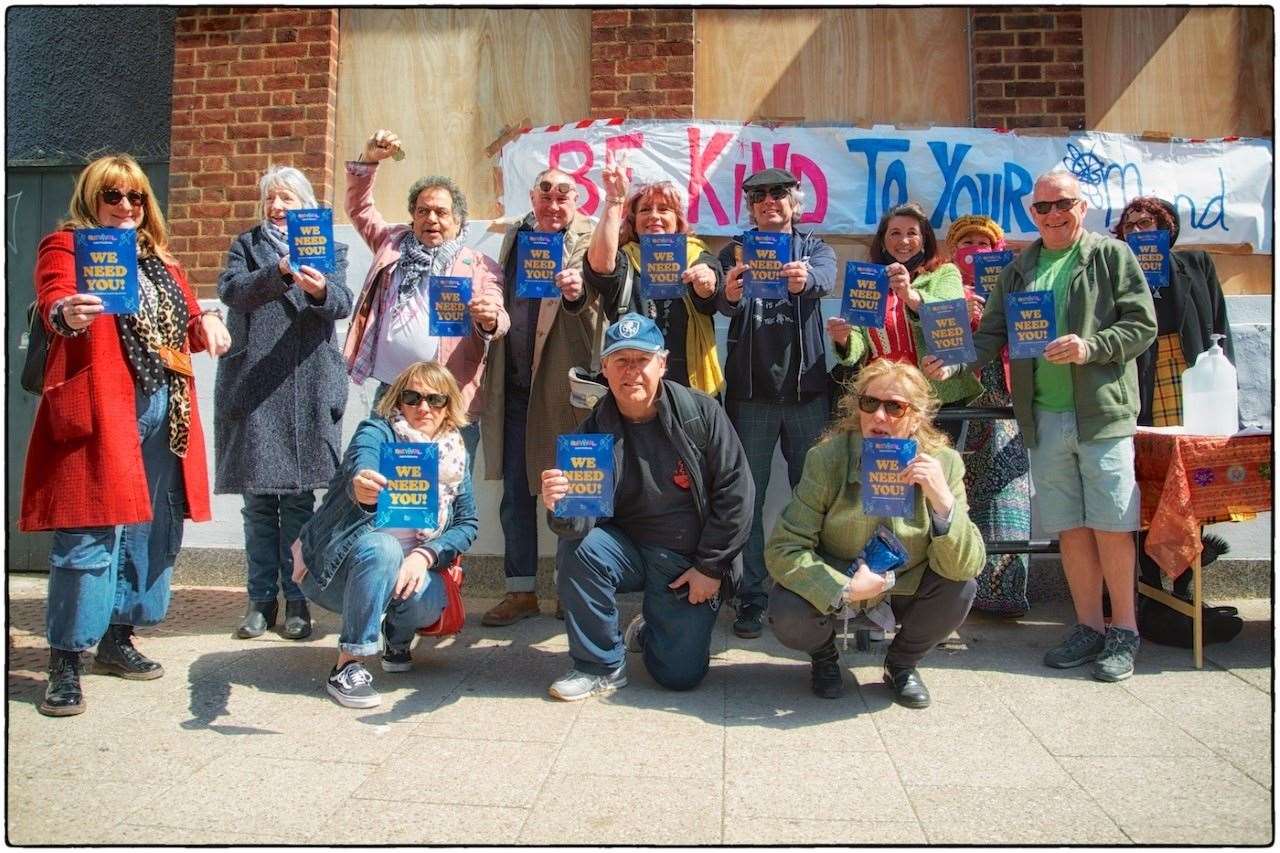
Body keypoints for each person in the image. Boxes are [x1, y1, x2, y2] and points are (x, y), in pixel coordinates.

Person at [20, 154, 232, 716]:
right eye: (113, 194)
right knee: (89, 532)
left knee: (150, 527)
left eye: (135, 197)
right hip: (102, 404)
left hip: (167, 406)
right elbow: (53, 298)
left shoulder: (163, 260)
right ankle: (66, 659)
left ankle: (119, 637)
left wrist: (208, 322)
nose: (125, 206)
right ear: (93, 198)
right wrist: (68, 311)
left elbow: (187, 319)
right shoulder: (68, 245)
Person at [925, 171, 1156, 682]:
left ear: (1083, 205)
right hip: (1044, 417)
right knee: (1069, 526)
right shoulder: (1020, 268)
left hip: (1102, 413)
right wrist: (956, 362)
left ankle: (1125, 631)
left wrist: (1091, 347)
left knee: (1113, 525)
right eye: (1043, 207)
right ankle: (1089, 627)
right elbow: (992, 335)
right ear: (1032, 213)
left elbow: (1142, 325)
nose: (1053, 214)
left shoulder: (1111, 256)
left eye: (1063, 204)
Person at [541, 314, 753, 700]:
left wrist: (710, 568)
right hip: (624, 550)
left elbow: (737, 494)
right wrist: (559, 505)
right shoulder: (590, 433)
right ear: (604, 368)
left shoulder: (699, 414)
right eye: (621, 361)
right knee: (580, 549)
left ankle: (650, 627)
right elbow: (575, 525)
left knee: (679, 677)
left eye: (642, 359)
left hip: (686, 559)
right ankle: (600, 664)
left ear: (662, 363)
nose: (631, 371)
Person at [766, 359, 985, 707]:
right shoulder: (827, 459)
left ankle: (901, 665)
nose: (879, 417)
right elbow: (783, 548)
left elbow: (966, 565)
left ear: (916, 416)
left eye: (895, 407)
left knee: (960, 588)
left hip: (907, 580)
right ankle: (824, 657)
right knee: (787, 608)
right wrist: (841, 587)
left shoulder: (943, 463)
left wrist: (943, 502)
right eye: (870, 403)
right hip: (841, 574)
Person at [215, 165, 353, 641]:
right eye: (271, 198)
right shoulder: (247, 245)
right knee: (257, 504)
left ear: (306, 205)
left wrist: (318, 290)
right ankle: (259, 602)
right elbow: (231, 290)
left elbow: (342, 301)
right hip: (255, 387)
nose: (277, 208)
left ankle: (297, 601)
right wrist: (278, 272)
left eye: (287, 199)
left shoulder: (327, 245)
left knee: (298, 503)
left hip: (307, 384)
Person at [292, 361, 479, 709]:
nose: (423, 407)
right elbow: (362, 460)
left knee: (423, 589)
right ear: (398, 400)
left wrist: (425, 556)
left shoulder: (455, 455)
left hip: (410, 577)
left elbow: (467, 524)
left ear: (448, 406)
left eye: (435, 400)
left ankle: (397, 639)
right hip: (341, 574)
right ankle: (349, 664)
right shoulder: (378, 432)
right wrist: (362, 483)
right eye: (412, 397)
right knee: (383, 546)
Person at [715, 167, 836, 640]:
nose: (769, 201)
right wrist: (726, 292)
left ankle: (812, 591)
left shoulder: (815, 249)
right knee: (749, 499)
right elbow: (717, 305)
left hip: (807, 393)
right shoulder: (735, 251)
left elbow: (826, 278)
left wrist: (805, 279)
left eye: (778, 193)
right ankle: (752, 596)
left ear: (796, 201)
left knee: (814, 497)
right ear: (749, 207)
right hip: (751, 398)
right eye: (758, 195)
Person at [478, 167, 601, 627]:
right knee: (516, 494)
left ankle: (574, 589)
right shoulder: (516, 236)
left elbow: (604, 300)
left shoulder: (591, 238)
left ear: (578, 199)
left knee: (574, 493)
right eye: (544, 193)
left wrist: (579, 291)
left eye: (563, 194)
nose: (553, 203)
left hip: (566, 390)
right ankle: (521, 590)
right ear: (532, 197)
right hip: (514, 388)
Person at [342, 128, 508, 464]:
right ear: (413, 217)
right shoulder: (391, 246)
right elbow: (360, 210)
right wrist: (370, 159)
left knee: (450, 491)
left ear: (458, 221)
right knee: (393, 494)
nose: (430, 218)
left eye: (441, 212)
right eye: (422, 211)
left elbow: (498, 315)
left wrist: (490, 317)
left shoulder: (478, 266)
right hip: (393, 393)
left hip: (450, 398)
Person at [1112, 196, 1235, 601]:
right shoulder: (1117, 271)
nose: (1138, 230)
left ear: (1167, 227)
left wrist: (1227, 391)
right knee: (1145, 480)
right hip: (1141, 382)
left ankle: (1186, 582)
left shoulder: (1196, 263)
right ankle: (1148, 582)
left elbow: (1219, 323)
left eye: (1148, 223)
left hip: (1190, 378)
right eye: (1130, 225)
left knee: (1190, 479)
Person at [826, 201, 982, 444]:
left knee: (931, 474)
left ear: (925, 239)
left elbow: (950, 317)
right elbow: (858, 346)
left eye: (912, 233)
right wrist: (843, 338)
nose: (904, 241)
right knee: (887, 476)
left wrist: (910, 296)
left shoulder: (944, 273)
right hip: (881, 399)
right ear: (883, 241)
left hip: (934, 399)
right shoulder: (867, 279)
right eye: (895, 233)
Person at [942, 215, 1033, 616]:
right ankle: (967, 592)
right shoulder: (943, 285)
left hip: (1009, 402)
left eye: (984, 242)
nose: (976, 249)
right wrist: (961, 309)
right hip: (964, 402)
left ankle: (1007, 591)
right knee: (961, 496)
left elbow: (1035, 332)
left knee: (1007, 494)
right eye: (967, 243)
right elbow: (943, 344)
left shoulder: (1016, 282)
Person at [575, 152, 724, 395]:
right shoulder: (623, 257)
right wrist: (615, 199)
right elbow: (600, 267)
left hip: (688, 382)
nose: (654, 216)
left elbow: (712, 296)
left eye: (663, 209)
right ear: (634, 222)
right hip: (633, 381)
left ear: (677, 221)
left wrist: (706, 283)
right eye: (645, 210)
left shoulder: (696, 254)